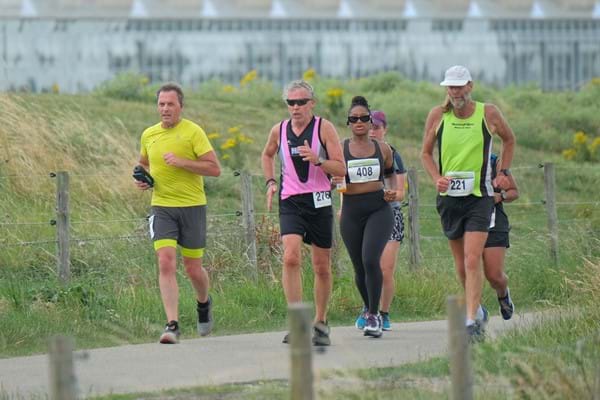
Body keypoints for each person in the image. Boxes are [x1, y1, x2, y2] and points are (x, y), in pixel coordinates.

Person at [421, 65, 516, 342]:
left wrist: (503, 171)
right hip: (450, 200)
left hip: (479, 197)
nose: (455, 92)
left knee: (472, 259)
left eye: (460, 87)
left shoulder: (488, 113)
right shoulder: (438, 115)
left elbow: (509, 140)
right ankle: (479, 309)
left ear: (470, 86)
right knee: (462, 267)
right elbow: (425, 154)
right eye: (451, 87)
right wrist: (436, 178)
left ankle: (471, 320)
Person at [135, 83, 221, 344]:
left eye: (170, 104)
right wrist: (142, 178)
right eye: (161, 104)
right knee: (166, 261)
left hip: (192, 206)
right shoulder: (149, 134)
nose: (165, 109)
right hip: (162, 206)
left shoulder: (193, 132)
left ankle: (203, 303)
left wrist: (183, 162)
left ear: (180, 106)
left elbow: (214, 169)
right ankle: (172, 324)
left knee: (193, 269)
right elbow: (143, 163)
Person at [261, 80, 345, 346]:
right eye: (291, 102)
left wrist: (319, 160)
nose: (295, 107)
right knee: (290, 257)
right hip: (291, 201)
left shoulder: (324, 128)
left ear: (312, 103)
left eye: (301, 102)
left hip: (319, 201)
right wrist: (270, 182)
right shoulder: (279, 130)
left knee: (321, 266)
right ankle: (298, 322)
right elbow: (267, 155)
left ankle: (320, 321)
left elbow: (341, 168)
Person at [333, 96, 396, 338]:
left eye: (363, 118)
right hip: (351, 211)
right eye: (354, 118)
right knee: (359, 266)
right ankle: (369, 308)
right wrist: (332, 182)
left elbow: (390, 174)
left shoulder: (383, 149)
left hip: (378, 209)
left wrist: (392, 191)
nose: (359, 122)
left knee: (371, 259)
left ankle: (374, 315)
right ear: (348, 122)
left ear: (371, 121)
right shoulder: (340, 149)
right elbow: (331, 176)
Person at [354, 110, 407, 332]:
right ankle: (369, 309)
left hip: (390, 214)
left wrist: (391, 194)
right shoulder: (355, 153)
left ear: (385, 129)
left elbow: (401, 192)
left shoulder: (392, 155)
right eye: (370, 126)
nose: (372, 131)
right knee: (366, 266)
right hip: (363, 215)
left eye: (377, 127)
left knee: (385, 268)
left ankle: (383, 313)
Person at [484, 153, 517, 320]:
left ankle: (503, 295)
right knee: (468, 271)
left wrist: (500, 196)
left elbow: (514, 192)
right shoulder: (456, 159)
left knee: (494, 276)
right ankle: (476, 312)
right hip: (466, 222)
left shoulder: (494, 161)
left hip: (494, 223)